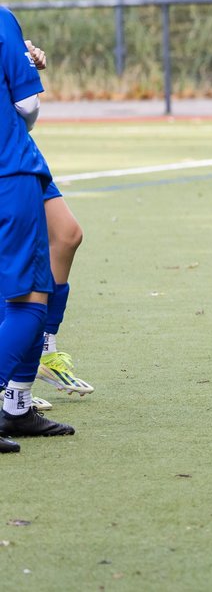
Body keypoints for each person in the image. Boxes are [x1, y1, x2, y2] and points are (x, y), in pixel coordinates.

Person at [0, 0, 75, 453]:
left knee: (66, 234)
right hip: (10, 162)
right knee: (29, 299)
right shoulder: (2, 18)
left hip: (23, 162)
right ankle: (25, 375)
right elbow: (27, 107)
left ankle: (17, 405)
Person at [8, 40, 93, 413]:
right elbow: (27, 105)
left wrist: (24, 59)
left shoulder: (6, 20)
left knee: (67, 234)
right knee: (17, 271)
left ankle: (43, 349)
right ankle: (12, 383)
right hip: (8, 153)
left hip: (18, 150)